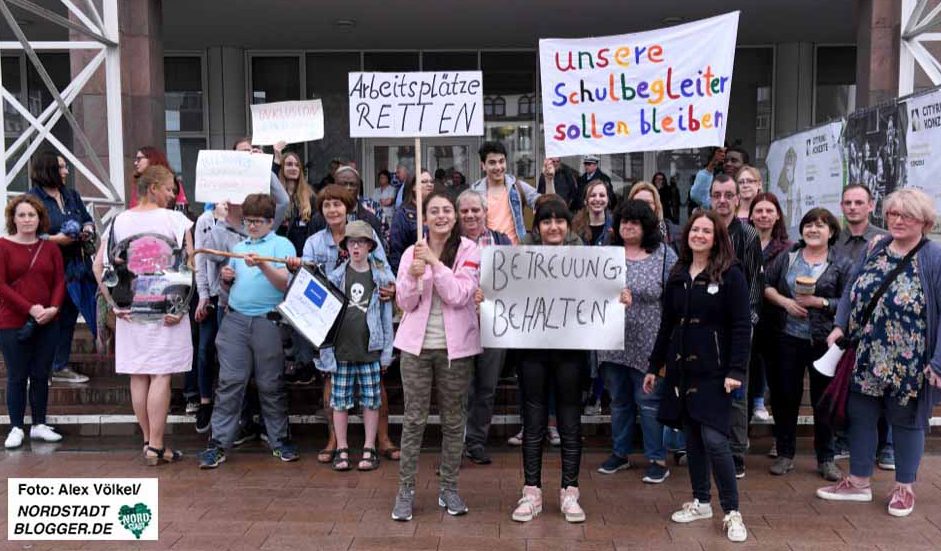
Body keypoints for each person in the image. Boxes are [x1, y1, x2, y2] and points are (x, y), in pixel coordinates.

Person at [818, 188, 941, 518]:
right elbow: (851, 289)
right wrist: (840, 324)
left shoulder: (933, 258)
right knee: (861, 415)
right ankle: (858, 481)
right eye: (893, 214)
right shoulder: (877, 248)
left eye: (906, 216)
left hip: (909, 360)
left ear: (924, 222)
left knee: (906, 422)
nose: (897, 221)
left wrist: (938, 362)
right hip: (867, 354)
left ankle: (904, 488)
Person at [645, 209, 751, 543]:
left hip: (715, 371)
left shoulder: (731, 273)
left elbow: (741, 325)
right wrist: (654, 366)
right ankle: (701, 501)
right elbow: (667, 324)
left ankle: (732, 511)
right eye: (695, 230)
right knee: (692, 437)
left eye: (707, 231)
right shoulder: (678, 272)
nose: (700, 236)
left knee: (715, 440)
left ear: (717, 237)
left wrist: (736, 370)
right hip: (681, 370)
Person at [94, 165, 194, 465]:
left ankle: (151, 443)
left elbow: (98, 267)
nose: (172, 196)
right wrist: (182, 306)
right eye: (168, 190)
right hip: (166, 309)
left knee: (138, 374)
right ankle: (156, 445)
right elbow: (189, 266)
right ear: (153, 188)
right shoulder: (176, 220)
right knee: (161, 373)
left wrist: (114, 303)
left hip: (130, 309)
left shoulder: (118, 221)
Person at [391, 192, 481, 521]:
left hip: (455, 350)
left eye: (447, 210)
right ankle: (405, 491)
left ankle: (450, 489)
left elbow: (458, 295)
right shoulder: (410, 252)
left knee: (454, 421)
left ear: (455, 217)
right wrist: (414, 276)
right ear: (424, 218)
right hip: (416, 349)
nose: (441, 215)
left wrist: (433, 263)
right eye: (434, 211)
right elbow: (406, 303)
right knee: (413, 420)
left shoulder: (470, 250)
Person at [197, 193, 298, 469]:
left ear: (269, 222)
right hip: (236, 320)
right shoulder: (239, 247)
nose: (252, 226)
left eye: (257, 222)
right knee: (229, 383)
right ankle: (217, 444)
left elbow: (283, 285)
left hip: (268, 321)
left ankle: (279, 440)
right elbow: (226, 288)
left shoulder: (281, 245)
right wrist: (226, 279)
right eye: (248, 221)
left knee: (270, 384)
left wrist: (263, 264)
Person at [503, 199, 588, 524]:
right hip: (532, 350)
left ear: (568, 226)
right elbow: (504, 293)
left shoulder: (584, 258)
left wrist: (617, 296)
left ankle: (570, 490)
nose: (554, 227)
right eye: (547, 221)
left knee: (569, 420)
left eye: (560, 221)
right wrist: (488, 296)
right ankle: (532, 491)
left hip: (571, 349)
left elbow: (600, 293)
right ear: (536, 227)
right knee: (534, 422)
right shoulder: (520, 258)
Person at [302, 185, 397, 464]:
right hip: (337, 340)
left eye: (338, 204)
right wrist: (302, 269)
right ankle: (336, 441)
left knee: (374, 392)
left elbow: (386, 275)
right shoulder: (315, 243)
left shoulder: (369, 239)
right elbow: (309, 288)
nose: (333, 210)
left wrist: (390, 287)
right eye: (327, 205)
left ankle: (379, 440)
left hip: (369, 340)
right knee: (335, 392)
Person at [763, 208, 852, 481]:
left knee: (822, 401)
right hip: (787, 338)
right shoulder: (787, 257)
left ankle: (826, 458)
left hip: (823, 341)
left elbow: (849, 301)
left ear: (832, 232)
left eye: (821, 225)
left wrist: (821, 303)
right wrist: (785, 302)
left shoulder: (841, 263)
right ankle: (785, 454)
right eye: (809, 225)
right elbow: (766, 286)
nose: (814, 230)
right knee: (785, 397)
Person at [597, 200, 677, 483]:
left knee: (649, 401)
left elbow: (675, 298)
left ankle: (656, 458)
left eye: (635, 222)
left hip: (649, 342)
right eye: (624, 221)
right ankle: (620, 453)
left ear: (647, 227)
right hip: (611, 342)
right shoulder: (605, 254)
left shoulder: (664, 255)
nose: (628, 226)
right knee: (619, 401)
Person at [316, 221, 395, 472]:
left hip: (370, 349)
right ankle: (342, 447)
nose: (356, 246)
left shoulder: (381, 277)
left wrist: (386, 354)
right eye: (352, 242)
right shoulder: (336, 277)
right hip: (341, 352)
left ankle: (369, 447)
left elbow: (386, 318)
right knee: (339, 403)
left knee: (371, 402)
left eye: (361, 242)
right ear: (345, 247)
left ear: (370, 246)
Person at [831, 183, 891, 468]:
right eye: (848, 202)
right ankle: (847, 439)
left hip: (881, 328)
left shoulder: (886, 239)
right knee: (852, 387)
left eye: (859, 202)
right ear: (842, 206)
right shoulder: (835, 241)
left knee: (885, 385)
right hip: (846, 325)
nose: (853, 207)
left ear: (870, 206)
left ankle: (887, 446)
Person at [709, 173, 763, 478]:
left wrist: (749, 320)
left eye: (729, 194)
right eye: (718, 194)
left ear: (738, 198)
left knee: (737, 391)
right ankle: (708, 446)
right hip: (706, 325)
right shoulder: (703, 229)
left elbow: (756, 280)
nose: (723, 200)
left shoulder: (749, 234)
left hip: (738, 324)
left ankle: (735, 452)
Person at [1, 195, 65, 448]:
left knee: (41, 373)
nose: (27, 220)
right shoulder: (3, 246)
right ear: (13, 219)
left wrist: (53, 308)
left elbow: (59, 280)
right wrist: (30, 308)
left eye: (32, 215)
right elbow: (2, 285)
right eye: (22, 215)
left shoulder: (50, 248)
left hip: (48, 320)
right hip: (12, 321)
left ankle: (39, 423)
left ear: (40, 219)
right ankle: (16, 426)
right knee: (17, 375)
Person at [27, 151, 93, 385]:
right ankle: (37, 368)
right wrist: (58, 239)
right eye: (61, 167)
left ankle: (59, 365)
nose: (66, 171)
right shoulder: (32, 199)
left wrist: (87, 230)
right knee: (45, 316)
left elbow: (87, 218)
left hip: (74, 268)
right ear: (48, 170)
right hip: (45, 268)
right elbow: (27, 233)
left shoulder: (71, 195)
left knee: (67, 316)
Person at [457, 189, 510, 465]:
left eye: (475, 210)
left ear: (485, 211)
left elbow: (514, 280)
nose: (470, 215)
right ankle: (456, 440)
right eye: (464, 211)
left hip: (493, 325)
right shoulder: (450, 243)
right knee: (460, 386)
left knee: (487, 387)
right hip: (459, 325)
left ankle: (476, 441)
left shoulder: (502, 241)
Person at [747, 192, 791, 435]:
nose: (763, 215)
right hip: (747, 321)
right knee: (745, 381)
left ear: (777, 216)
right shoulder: (740, 243)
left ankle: (780, 441)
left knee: (780, 384)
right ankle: (740, 442)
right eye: (759, 211)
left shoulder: (789, 248)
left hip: (777, 323)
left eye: (769, 211)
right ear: (751, 215)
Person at [191, 202, 227, 433]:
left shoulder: (239, 217)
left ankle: (227, 405)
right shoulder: (205, 219)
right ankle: (205, 401)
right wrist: (203, 295)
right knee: (205, 349)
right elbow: (202, 259)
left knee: (227, 352)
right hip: (211, 295)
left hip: (232, 297)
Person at [470, 141, 539, 245]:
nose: (498, 167)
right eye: (492, 163)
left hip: (516, 253)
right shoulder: (474, 192)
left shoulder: (517, 187)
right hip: (487, 252)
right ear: (483, 166)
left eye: (501, 161)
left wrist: (549, 180)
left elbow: (546, 203)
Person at [389, 169, 437, 274]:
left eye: (431, 181)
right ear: (413, 187)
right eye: (424, 182)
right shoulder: (402, 215)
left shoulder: (437, 213)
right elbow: (396, 251)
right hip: (412, 274)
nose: (429, 184)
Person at [276, 150, 316, 255]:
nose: (294, 168)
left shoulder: (310, 195)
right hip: (279, 251)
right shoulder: (275, 195)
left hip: (302, 253)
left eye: (297, 165)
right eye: (289, 164)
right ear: (282, 168)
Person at [628, 181, 679, 251]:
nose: (643, 206)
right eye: (638, 202)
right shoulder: (622, 231)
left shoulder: (670, 232)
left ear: (656, 206)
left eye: (648, 202)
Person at [572, 180, 612, 246]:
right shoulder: (575, 226)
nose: (597, 199)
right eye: (593, 195)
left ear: (607, 199)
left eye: (602, 195)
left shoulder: (615, 225)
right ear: (585, 201)